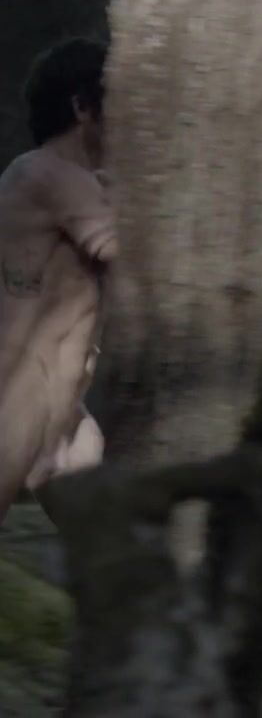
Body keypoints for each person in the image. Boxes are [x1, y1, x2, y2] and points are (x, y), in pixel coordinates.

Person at [0, 38, 114, 525]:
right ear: (82, 107)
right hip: (14, 389)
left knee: (103, 531)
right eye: (120, 102)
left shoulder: (76, 182)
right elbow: (120, 249)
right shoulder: (44, 172)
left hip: (59, 404)